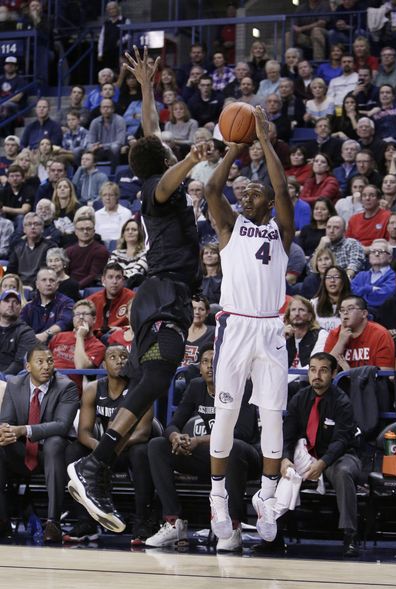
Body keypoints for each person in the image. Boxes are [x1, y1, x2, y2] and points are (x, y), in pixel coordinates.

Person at [66, 47, 208, 534]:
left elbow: (150, 136)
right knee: (160, 373)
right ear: (164, 162)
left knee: (153, 379)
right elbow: (166, 180)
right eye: (168, 151)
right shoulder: (154, 188)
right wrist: (190, 157)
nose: (167, 146)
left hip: (158, 295)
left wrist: (147, 88)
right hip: (165, 291)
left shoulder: (152, 167)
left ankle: (98, 464)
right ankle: (93, 463)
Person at [203, 105, 294, 543]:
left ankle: (268, 497)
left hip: (271, 329)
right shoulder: (229, 228)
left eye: (255, 191)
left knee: (272, 417)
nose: (247, 192)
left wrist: (263, 141)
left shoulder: (282, 230)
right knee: (227, 411)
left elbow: (282, 187)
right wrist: (234, 149)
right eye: (245, 190)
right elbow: (212, 188)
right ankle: (218, 496)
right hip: (236, 326)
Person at [146, 344, 261, 551]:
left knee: (232, 447)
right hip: (210, 456)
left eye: (215, 362)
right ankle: (173, 523)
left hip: (245, 457)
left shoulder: (242, 386)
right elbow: (173, 423)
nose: (210, 367)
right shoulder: (196, 386)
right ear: (199, 367)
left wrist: (199, 440)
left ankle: (233, 526)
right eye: (205, 362)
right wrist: (176, 437)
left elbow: (242, 432)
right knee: (158, 445)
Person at [64, 343, 156, 545]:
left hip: (129, 448)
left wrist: (109, 451)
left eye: (123, 356)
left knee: (142, 452)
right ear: (104, 364)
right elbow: (84, 432)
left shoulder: (140, 388)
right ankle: (85, 523)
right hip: (104, 451)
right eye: (113, 357)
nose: (119, 360)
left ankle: (142, 522)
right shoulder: (92, 389)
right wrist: (101, 450)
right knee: (73, 451)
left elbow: (142, 433)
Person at [278, 352, 362, 557]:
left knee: (343, 472)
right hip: (305, 455)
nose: (317, 375)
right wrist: (285, 458)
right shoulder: (299, 398)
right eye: (313, 369)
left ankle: (351, 535)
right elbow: (287, 434)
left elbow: (342, 440)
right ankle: (273, 537)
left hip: (341, 456)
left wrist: (323, 463)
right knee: (276, 468)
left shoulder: (342, 401)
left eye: (323, 370)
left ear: (333, 373)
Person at [0, 344, 79, 543]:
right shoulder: (15, 383)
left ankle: (53, 523)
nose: (46, 366)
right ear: (28, 367)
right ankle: (2, 519)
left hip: (52, 456)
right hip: (21, 451)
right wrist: (5, 431)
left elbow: (62, 425)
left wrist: (24, 430)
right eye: (40, 362)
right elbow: (6, 419)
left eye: (50, 361)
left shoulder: (66, 386)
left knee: (54, 443)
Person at [49, 299, 106, 394]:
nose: (81, 317)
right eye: (77, 314)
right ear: (73, 319)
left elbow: (81, 367)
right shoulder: (59, 336)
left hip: (69, 387)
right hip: (49, 378)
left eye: (85, 314)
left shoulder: (98, 346)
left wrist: (80, 337)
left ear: (94, 319)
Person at [324, 295, 395, 370]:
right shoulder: (334, 334)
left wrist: (350, 373)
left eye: (350, 309)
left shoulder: (380, 334)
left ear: (364, 313)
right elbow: (326, 371)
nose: (345, 312)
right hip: (342, 381)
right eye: (342, 310)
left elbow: (386, 374)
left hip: (371, 381)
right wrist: (340, 343)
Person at [284, 296, 328, 393]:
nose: (297, 313)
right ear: (288, 316)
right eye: (293, 310)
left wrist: (284, 379)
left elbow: (315, 364)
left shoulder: (321, 334)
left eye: (301, 310)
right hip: (283, 382)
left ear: (310, 316)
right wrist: (281, 339)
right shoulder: (282, 336)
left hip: (307, 383)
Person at [20, 267, 74, 342]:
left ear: (57, 285)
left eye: (52, 280)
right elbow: (21, 328)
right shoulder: (28, 307)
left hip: (58, 346)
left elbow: (65, 322)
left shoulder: (67, 302)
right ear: (37, 285)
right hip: (33, 346)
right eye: (44, 280)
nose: (48, 283)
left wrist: (45, 335)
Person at [6, 212, 56, 288]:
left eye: (36, 224)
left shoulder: (50, 246)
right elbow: (11, 270)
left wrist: (32, 286)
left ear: (42, 228)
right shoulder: (17, 246)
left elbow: (45, 271)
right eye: (29, 224)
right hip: (19, 286)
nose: (32, 227)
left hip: (40, 286)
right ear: (24, 229)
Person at [86, 261, 134, 340]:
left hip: (121, 339)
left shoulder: (132, 298)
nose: (114, 281)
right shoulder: (91, 300)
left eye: (118, 277)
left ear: (123, 280)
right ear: (103, 280)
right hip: (95, 341)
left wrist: (124, 329)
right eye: (110, 277)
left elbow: (140, 323)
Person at [350, 239, 396, 314]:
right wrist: (370, 289)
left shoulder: (393, 276)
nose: (376, 254)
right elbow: (350, 292)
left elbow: (383, 299)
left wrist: (361, 293)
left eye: (381, 251)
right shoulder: (361, 275)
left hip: (383, 317)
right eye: (373, 251)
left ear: (390, 258)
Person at [65, 216, 110, 289]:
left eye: (88, 229)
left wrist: (74, 288)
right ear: (75, 232)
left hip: (89, 288)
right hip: (71, 287)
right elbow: (65, 274)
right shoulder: (68, 251)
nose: (85, 232)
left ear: (94, 231)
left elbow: (93, 276)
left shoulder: (101, 250)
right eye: (81, 229)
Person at [0, 289, 37, 376]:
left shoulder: (26, 332)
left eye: (15, 302)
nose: (10, 305)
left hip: (10, 380)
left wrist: (1, 377)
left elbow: (19, 363)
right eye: (6, 301)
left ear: (20, 309)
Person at [346, 184, 391, 251]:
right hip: (356, 255)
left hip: (379, 253)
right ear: (361, 200)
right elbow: (348, 243)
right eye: (364, 196)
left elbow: (390, 242)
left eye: (372, 195)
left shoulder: (388, 216)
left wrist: (369, 249)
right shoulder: (353, 219)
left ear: (378, 199)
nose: (367, 198)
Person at [87, 98, 126, 173]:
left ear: (113, 109)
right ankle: (86, 175)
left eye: (108, 107)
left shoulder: (120, 120)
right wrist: (93, 147)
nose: (106, 109)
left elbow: (120, 142)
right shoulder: (94, 122)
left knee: (114, 147)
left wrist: (102, 146)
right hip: (98, 151)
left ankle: (113, 173)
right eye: (103, 107)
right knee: (79, 151)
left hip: (114, 151)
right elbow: (90, 142)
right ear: (100, 109)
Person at [311, 265, 352, 332]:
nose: (332, 280)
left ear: (343, 281)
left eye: (336, 277)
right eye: (329, 277)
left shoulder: (351, 304)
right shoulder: (314, 303)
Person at [182, 295, 215, 366]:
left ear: (207, 313)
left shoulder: (214, 332)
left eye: (201, 309)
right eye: (194, 308)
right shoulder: (179, 330)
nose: (197, 312)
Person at [97, 1, 130, 72]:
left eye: (114, 8)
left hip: (120, 51)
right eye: (110, 9)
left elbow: (129, 34)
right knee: (108, 70)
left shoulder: (125, 20)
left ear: (118, 9)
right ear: (108, 11)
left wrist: (122, 41)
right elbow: (101, 39)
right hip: (108, 51)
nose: (112, 10)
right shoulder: (106, 23)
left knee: (119, 69)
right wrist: (100, 53)